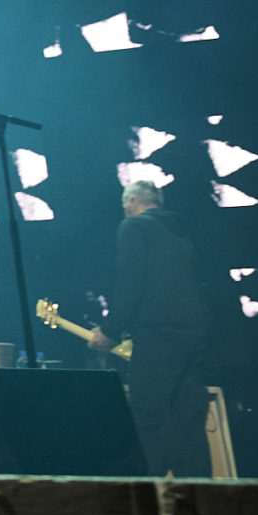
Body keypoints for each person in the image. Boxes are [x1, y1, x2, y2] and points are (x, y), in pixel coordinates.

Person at [91, 178, 210, 476]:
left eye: (124, 205)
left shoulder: (134, 226)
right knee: (188, 419)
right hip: (194, 334)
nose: (124, 211)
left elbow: (131, 282)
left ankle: (150, 492)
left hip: (159, 335)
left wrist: (111, 330)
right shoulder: (181, 230)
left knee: (145, 417)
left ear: (133, 201)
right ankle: (200, 492)